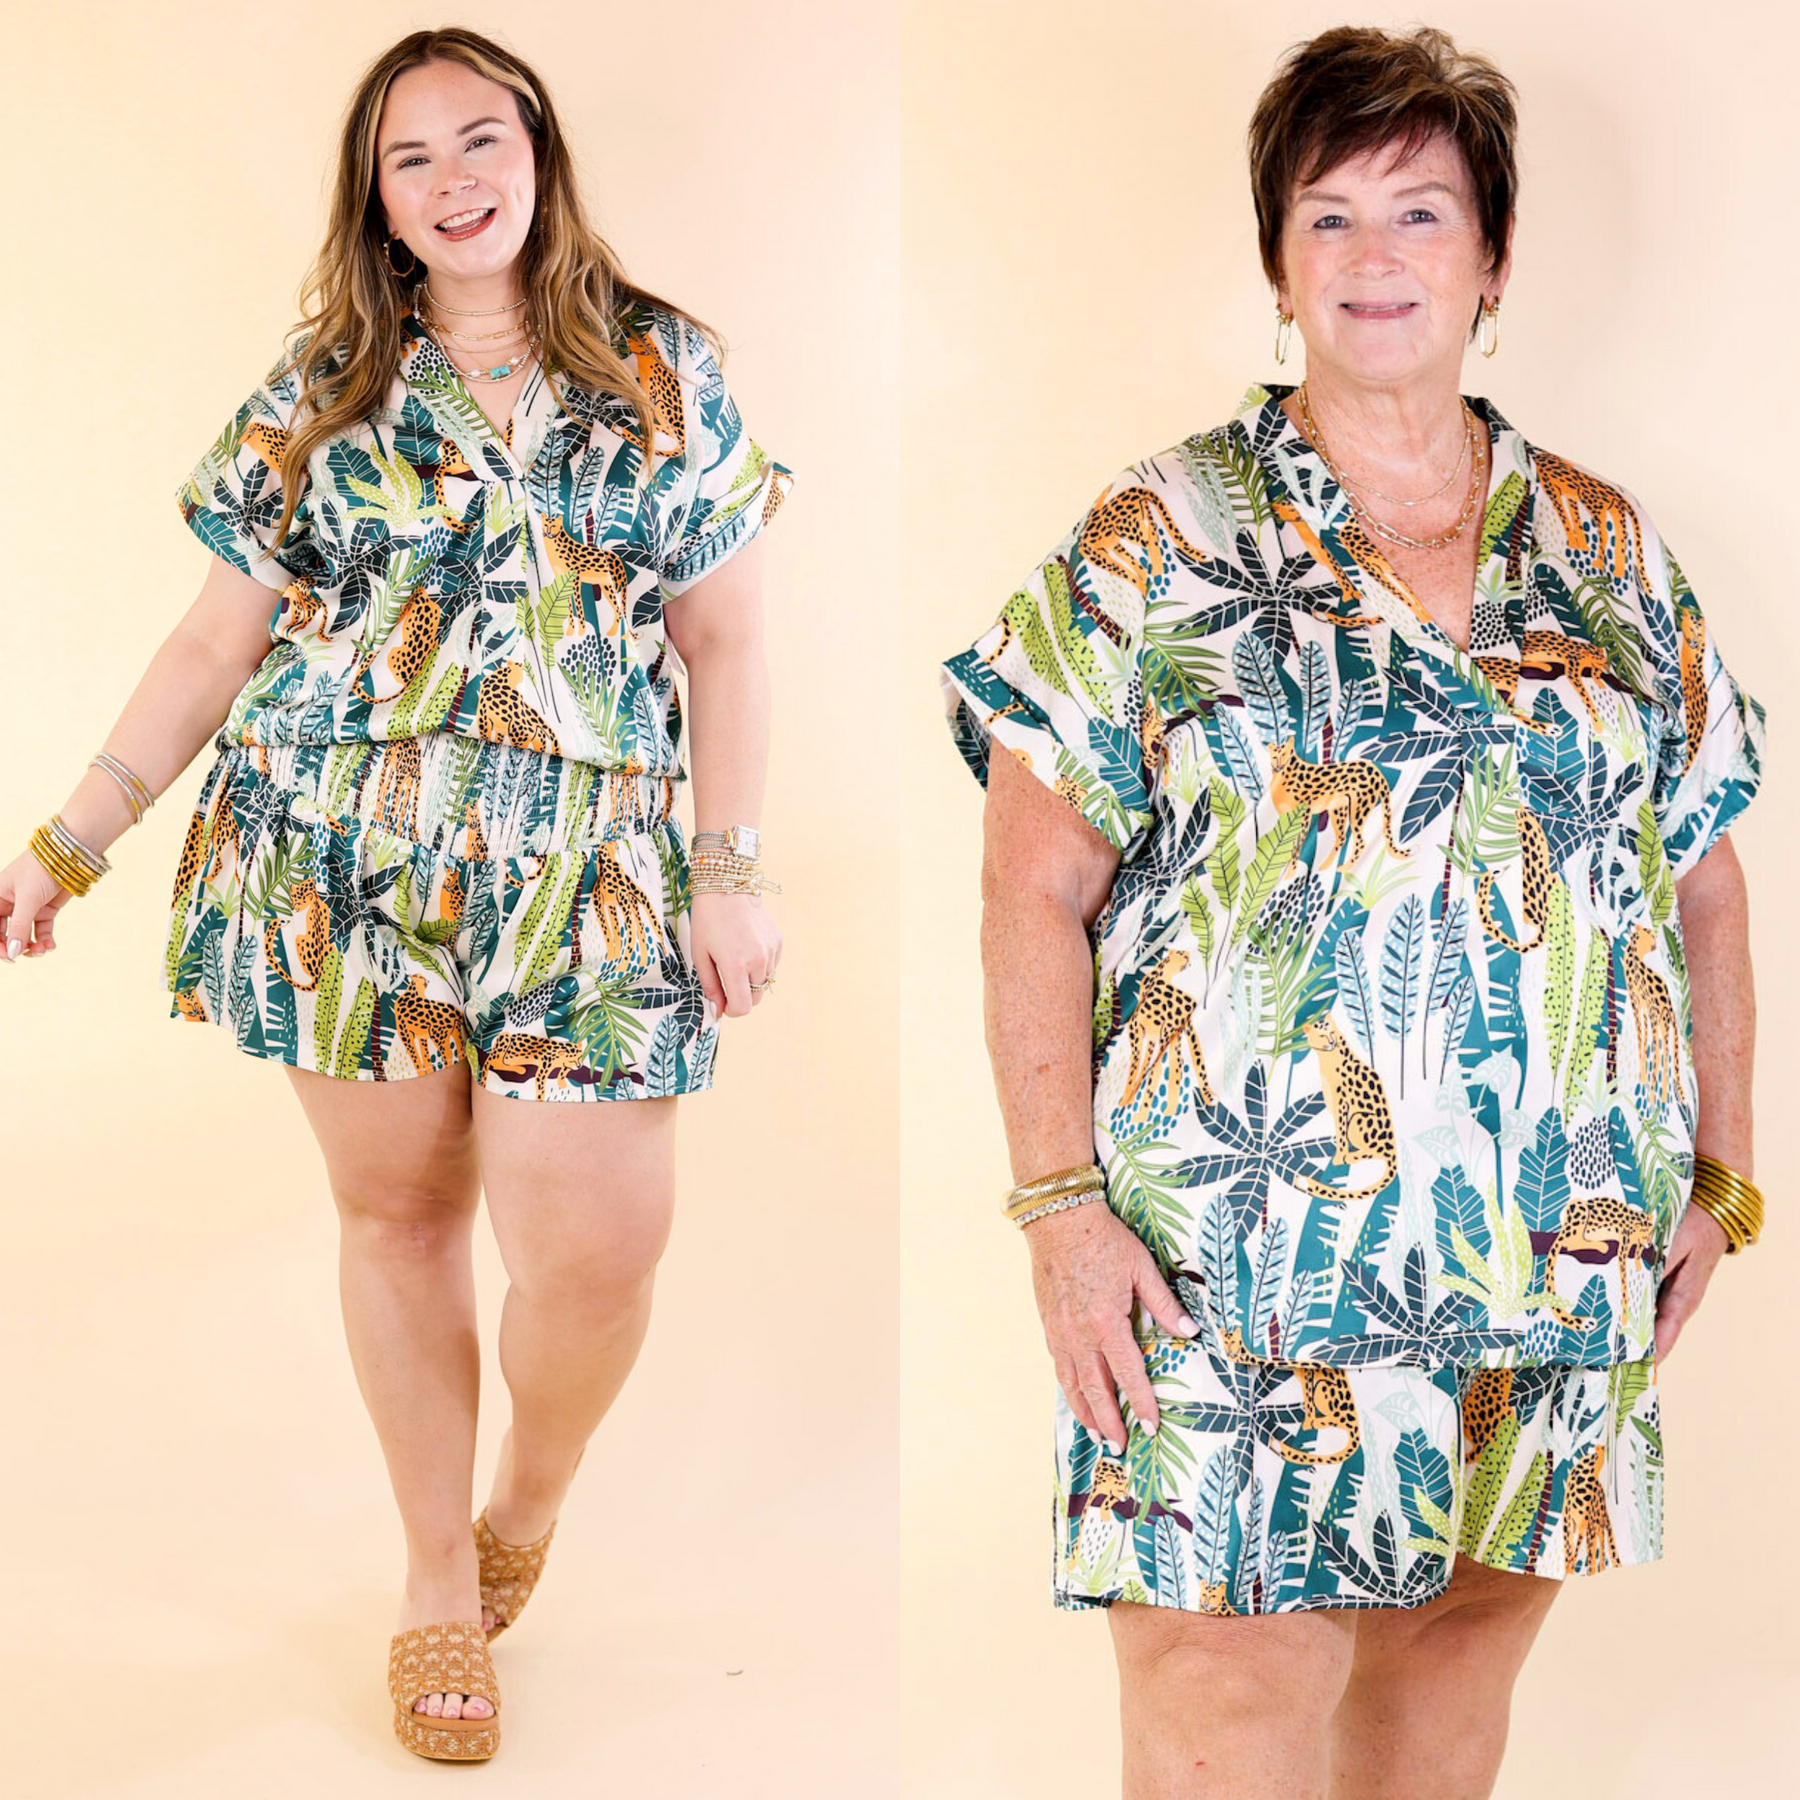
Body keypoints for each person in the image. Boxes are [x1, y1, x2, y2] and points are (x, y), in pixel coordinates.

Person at [939, 25, 1765, 1800]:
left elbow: (1699, 866)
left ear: (1493, 260)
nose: (1373, 257)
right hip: (1239, 1258)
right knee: (1222, 1688)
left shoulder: (1609, 553)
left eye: (1419, 212)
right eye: (1328, 216)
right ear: (1278, 262)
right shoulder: (1161, 535)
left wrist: (1724, 1169)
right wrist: (1060, 1210)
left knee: (1455, 1665)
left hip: (1559, 1240)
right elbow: (1030, 882)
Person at [1, 26, 789, 1764]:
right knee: (401, 1219)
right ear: (378, 199)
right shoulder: (324, 386)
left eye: (479, 137)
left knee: (595, 1259)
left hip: (593, 877)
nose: (453, 179)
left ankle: (527, 1495)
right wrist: (69, 840)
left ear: (538, 149)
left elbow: (725, 639)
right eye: (410, 157)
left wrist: (728, 870)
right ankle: (436, 1572)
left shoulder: (665, 369)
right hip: (336, 862)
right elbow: (216, 639)